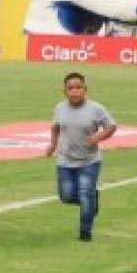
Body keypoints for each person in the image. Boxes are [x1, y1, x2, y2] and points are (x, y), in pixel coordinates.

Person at [46, 72, 117, 242]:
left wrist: (98, 137)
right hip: (65, 160)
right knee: (66, 196)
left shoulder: (95, 108)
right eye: (70, 88)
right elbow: (55, 127)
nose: (75, 91)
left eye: (78, 87)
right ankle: (92, 200)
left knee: (85, 193)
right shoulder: (59, 108)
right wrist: (53, 145)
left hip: (89, 161)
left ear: (85, 89)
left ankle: (85, 233)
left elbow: (111, 126)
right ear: (64, 91)